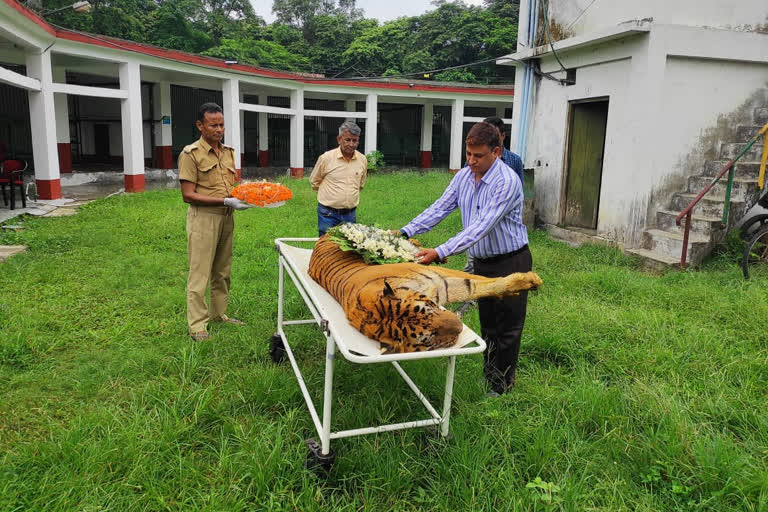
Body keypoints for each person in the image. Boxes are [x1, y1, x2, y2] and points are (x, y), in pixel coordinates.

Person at [398, 122, 530, 396]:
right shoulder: (464, 177)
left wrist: (440, 251)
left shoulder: (506, 182)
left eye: (478, 156)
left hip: (510, 262)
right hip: (482, 263)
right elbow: (441, 207)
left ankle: (502, 387)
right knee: (489, 324)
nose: (471, 161)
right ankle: (490, 377)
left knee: (507, 327)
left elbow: (481, 226)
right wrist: (405, 231)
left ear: (496, 151)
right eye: (468, 155)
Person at [179, 102, 254, 341]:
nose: (219, 129)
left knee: (222, 270)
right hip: (204, 219)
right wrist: (225, 200)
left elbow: (231, 187)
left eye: (221, 124)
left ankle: (219, 314)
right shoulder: (190, 154)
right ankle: (197, 326)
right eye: (213, 125)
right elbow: (187, 195)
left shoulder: (229, 152)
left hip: (226, 217)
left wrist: (243, 196)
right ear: (200, 126)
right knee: (200, 273)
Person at [309, 121, 367, 236]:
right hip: (327, 213)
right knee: (327, 247)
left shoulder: (362, 160)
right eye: (348, 140)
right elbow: (314, 181)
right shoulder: (326, 158)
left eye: (355, 140)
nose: (351, 144)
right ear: (339, 139)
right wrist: (331, 196)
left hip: (350, 214)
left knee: (348, 249)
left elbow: (360, 184)